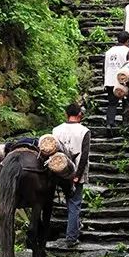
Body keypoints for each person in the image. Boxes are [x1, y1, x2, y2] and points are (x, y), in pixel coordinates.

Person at [52, 102, 91, 249]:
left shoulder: (56, 130)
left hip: (58, 172)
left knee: (70, 203)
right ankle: (71, 237)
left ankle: (72, 230)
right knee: (75, 204)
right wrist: (77, 175)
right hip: (75, 173)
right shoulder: (84, 131)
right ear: (80, 114)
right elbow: (84, 155)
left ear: (66, 114)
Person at [103, 32, 129, 133]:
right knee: (126, 100)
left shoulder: (109, 51)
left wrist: (105, 81)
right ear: (127, 40)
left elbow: (104, 67)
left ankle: (109, 123)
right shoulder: (128, 51)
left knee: (112, 103)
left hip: (110, 80)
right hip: (123, 80)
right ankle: (125, 122)